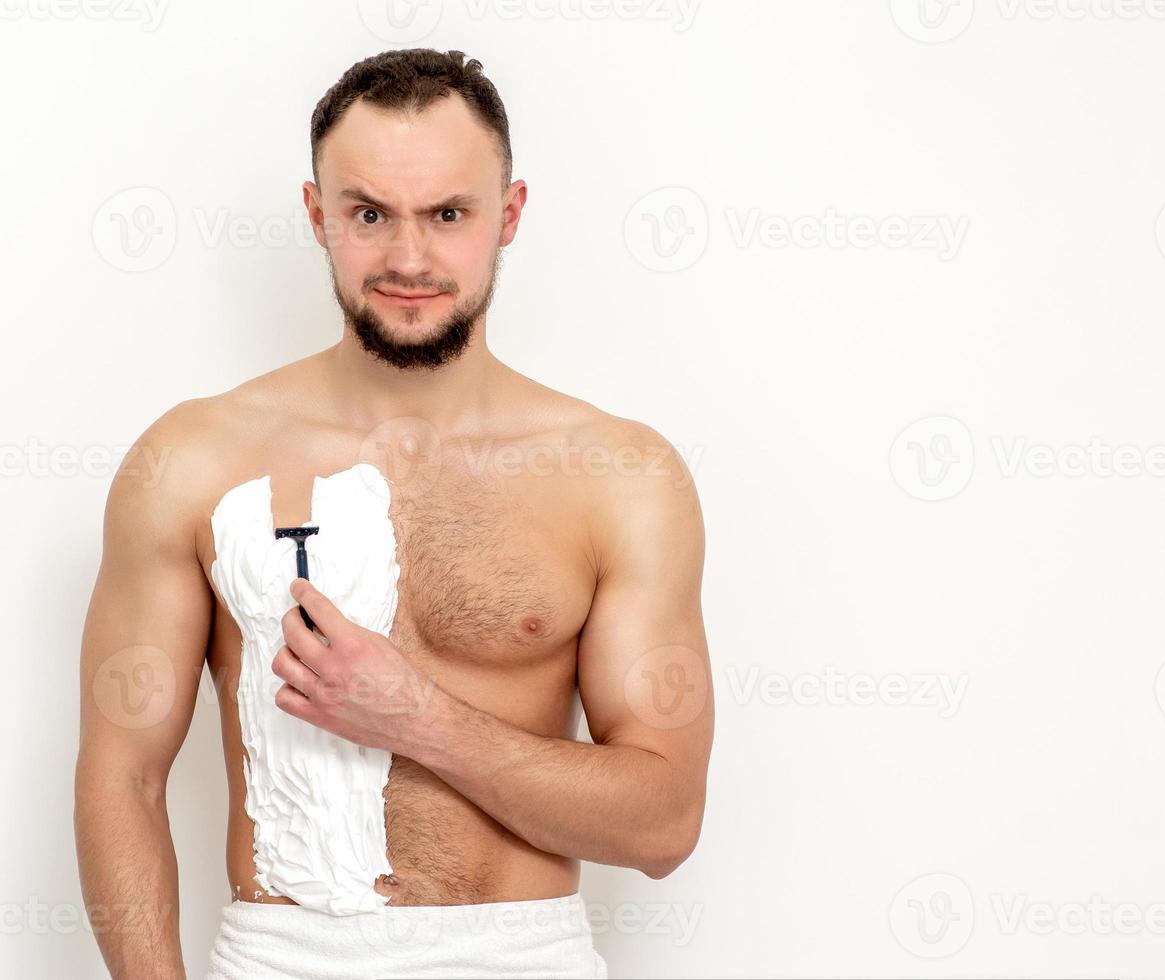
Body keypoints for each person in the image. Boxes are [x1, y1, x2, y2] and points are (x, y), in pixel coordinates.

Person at [74, 47, 713, 979]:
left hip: (520, 956)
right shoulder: (194, 459)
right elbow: (121, 776)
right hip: (278, 955)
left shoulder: (618, 475)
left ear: (510, 214)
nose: (408, 258)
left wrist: (418, 717)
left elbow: (664, 824)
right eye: (369, 214)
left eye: (448, 214)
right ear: (316, 214)